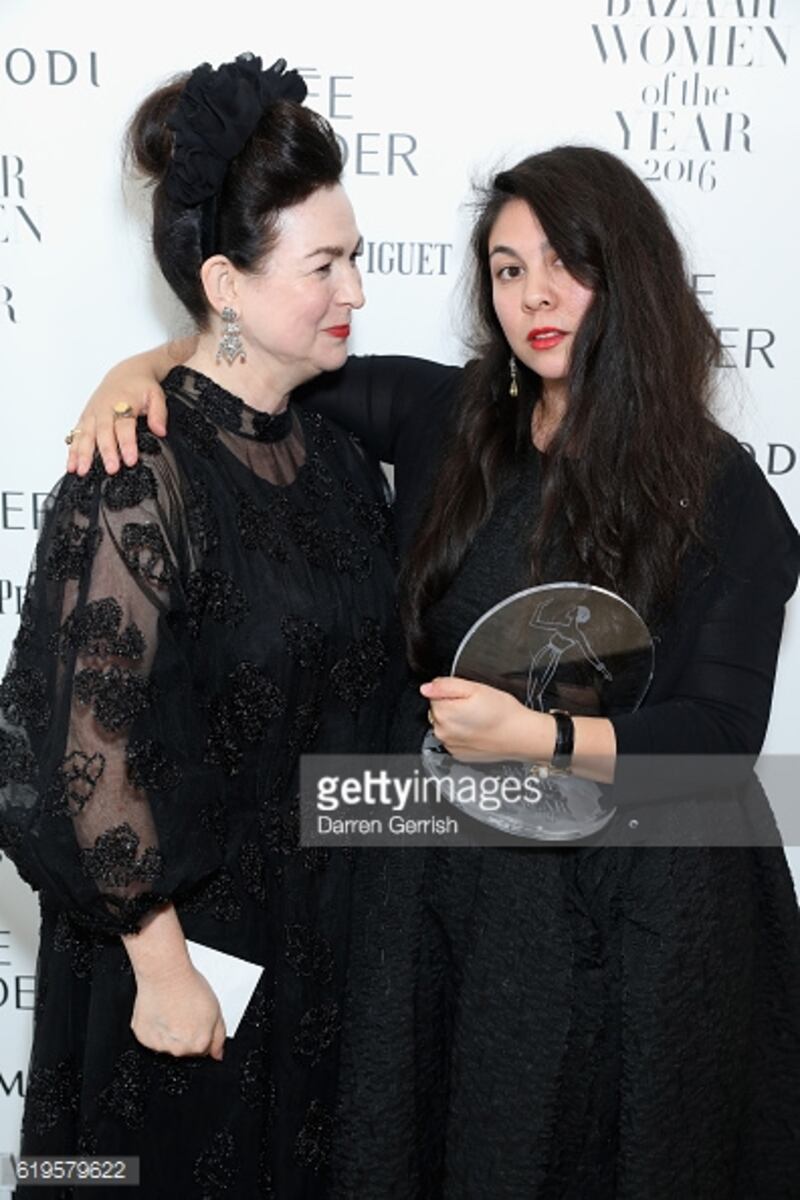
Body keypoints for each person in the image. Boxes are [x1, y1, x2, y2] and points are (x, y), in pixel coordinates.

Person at [68, 148, 800, 1196]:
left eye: (564, 262)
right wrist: (137, 373)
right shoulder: (448, 419)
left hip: (653, 916)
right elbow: (255, 364)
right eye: (506, 270)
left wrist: (539, 741)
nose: (533, 294)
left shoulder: (719, 489)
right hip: (459, 908)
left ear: (629, 275)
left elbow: (723, 737)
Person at [0, 53, 399, 1199]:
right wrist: (161, 965)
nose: (356, 292)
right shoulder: (136, 468)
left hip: (326, 962)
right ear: (225, 282)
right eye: (325, 264)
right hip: (177, 985)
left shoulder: (332, 459)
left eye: (356, 258)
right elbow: (80, 740)